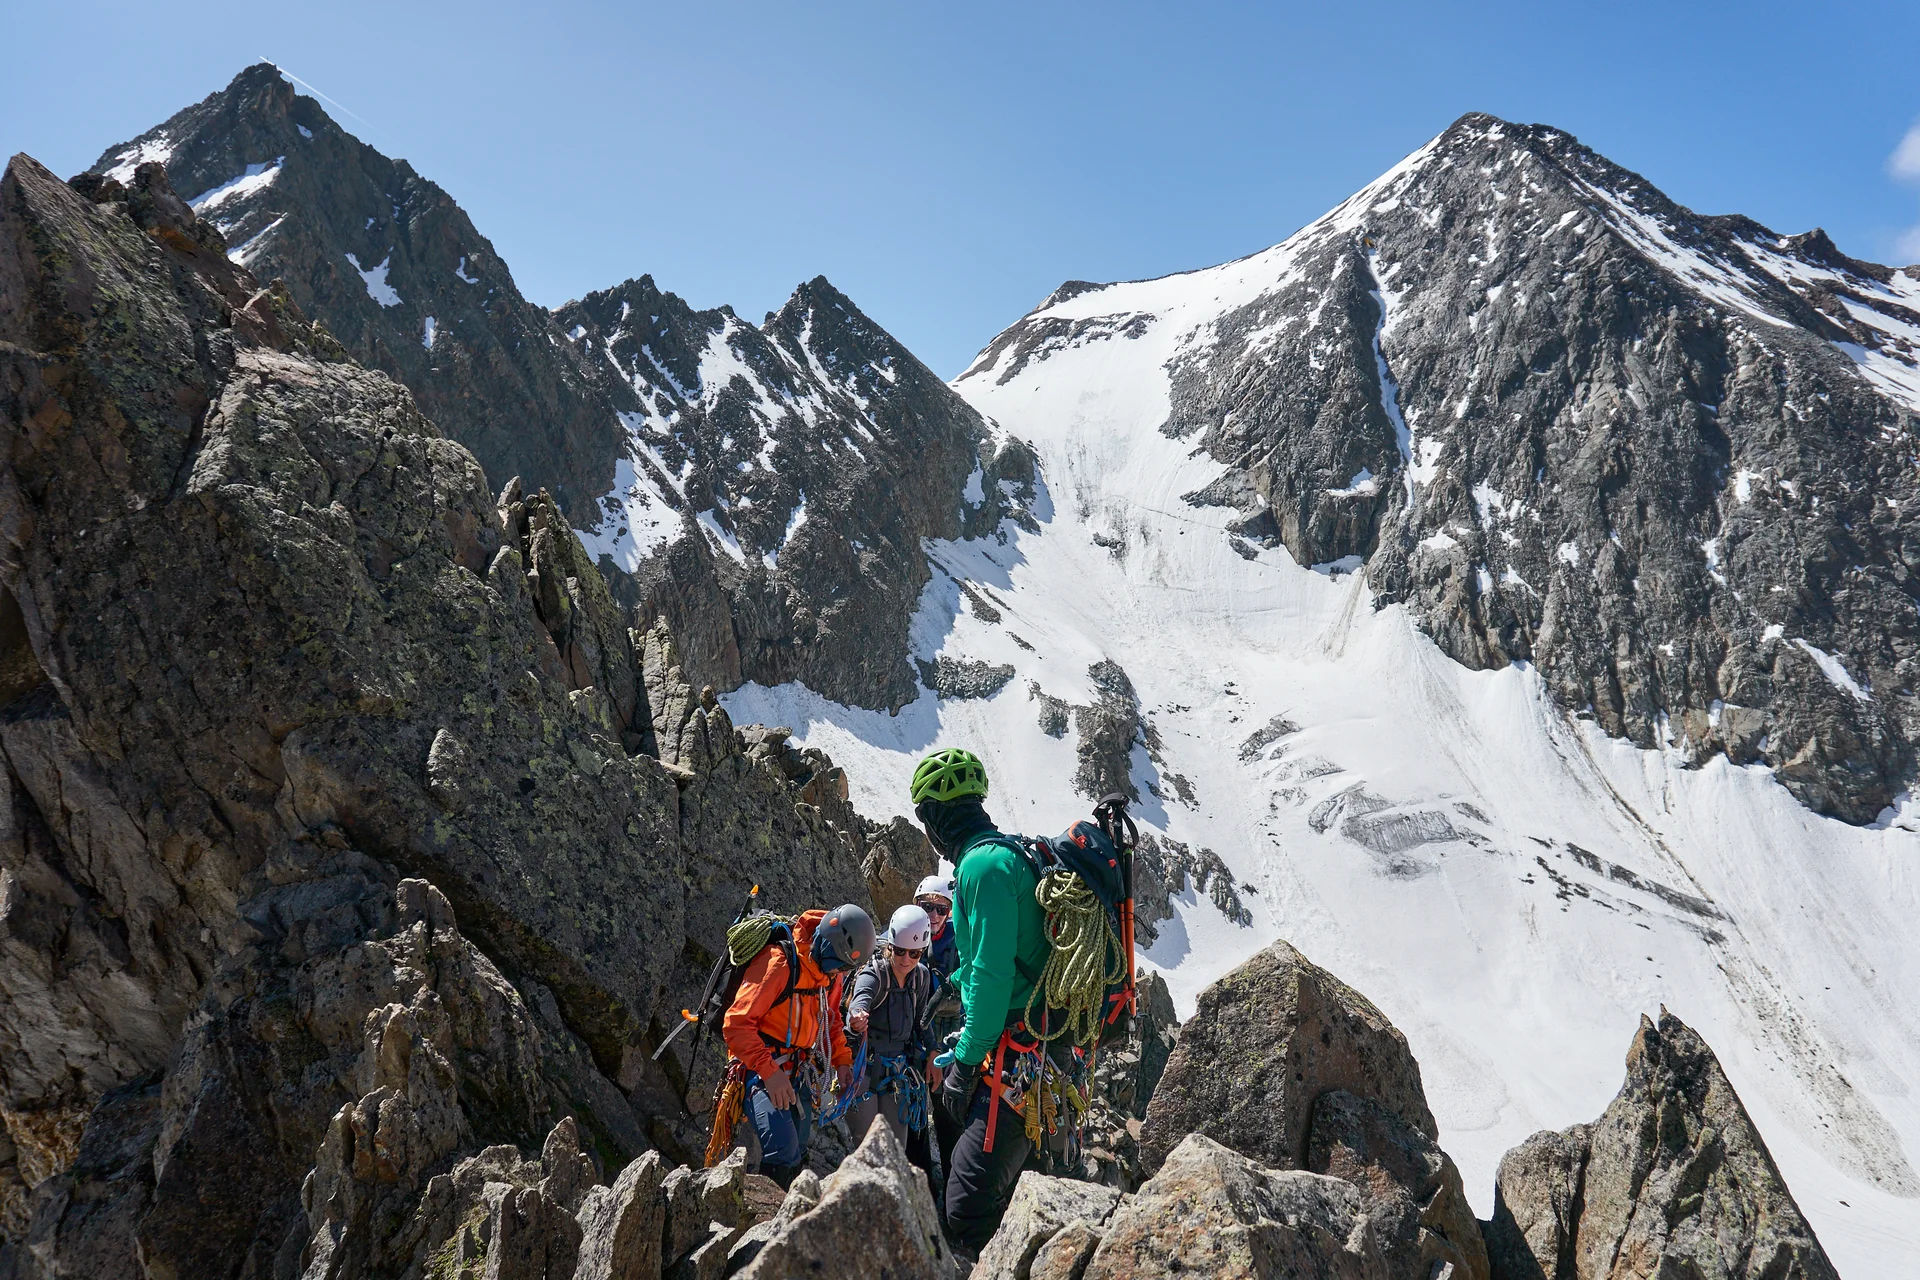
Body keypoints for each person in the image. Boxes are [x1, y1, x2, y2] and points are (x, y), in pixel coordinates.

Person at [910, 748, 1054, 1250]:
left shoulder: (982, 867)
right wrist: (953, 986)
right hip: (1033, 1049)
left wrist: (966, 1065)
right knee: (1007, 1184)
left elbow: (993, 980)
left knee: (966, 1209)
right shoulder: (1000, 856)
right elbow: (985, 961)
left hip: (1016, 1054)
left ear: (936, 818)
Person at [721, 903, 873, 1187]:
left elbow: (830, 1018)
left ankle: (787, 1207)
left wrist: (842, 1061)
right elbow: (736, 1024)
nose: (837, 972)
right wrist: (770, 1073)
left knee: (799, 1148)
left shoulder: (830, 976)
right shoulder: (779, 963)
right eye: (837, 964)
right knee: (783, 1150)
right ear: (826, 945)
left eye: (843, 968)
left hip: (796, 1070)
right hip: (758, 1068)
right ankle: (767, 1212)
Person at [847, 904, 938, 1152]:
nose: (906, 960)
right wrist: (857, 1015)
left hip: (897, 1071)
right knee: (868, 1149)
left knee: (896, 1149)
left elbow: (921, 1019)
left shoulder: (921, 977)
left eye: (914, 954)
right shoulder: (875, 974)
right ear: (890, 946)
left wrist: (933, 1051)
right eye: (899, 951)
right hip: (865, 1070)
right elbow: (860, 999)